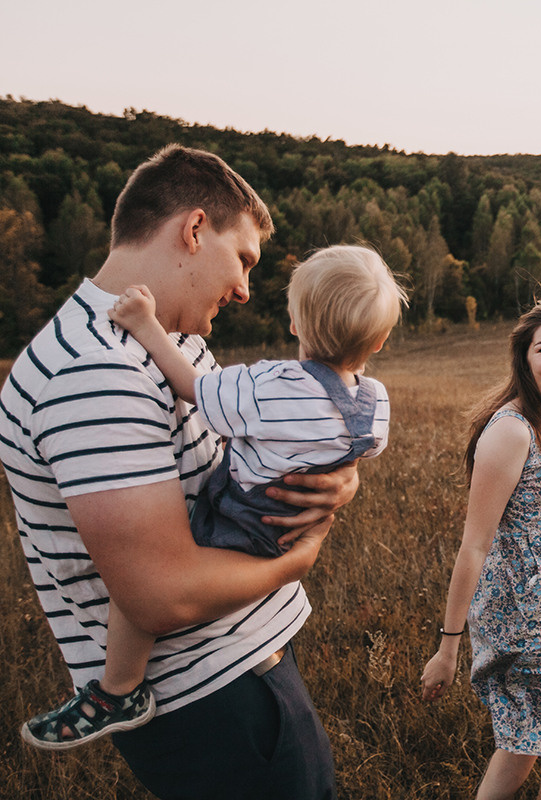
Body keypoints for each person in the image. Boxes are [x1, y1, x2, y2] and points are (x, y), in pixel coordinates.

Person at [0, 144, 359, 800]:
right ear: (194, 230)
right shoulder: (95, 371)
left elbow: (240, 457)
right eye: (243, 259)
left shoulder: (169, 342)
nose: (247, 288)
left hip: (242, 671)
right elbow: (158, 595)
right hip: (213, 704)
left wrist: (330, 481)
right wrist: (300, 555)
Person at [20, 243, 406, 751]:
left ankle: (119, 691)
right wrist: (342, 487)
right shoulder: (374, 403)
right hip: (284, 532)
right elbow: (353, 457)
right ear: (378, 342)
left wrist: (145, 324)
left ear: (295, 323)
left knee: (139, 591)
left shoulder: (270, 385)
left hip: (237, 518)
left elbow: (192, 388)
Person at [421, 298, 541, 800]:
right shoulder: (511, 430)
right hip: (530, 619)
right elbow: (473, 546)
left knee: (524, 743)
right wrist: (448, 647)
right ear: (523, 358)